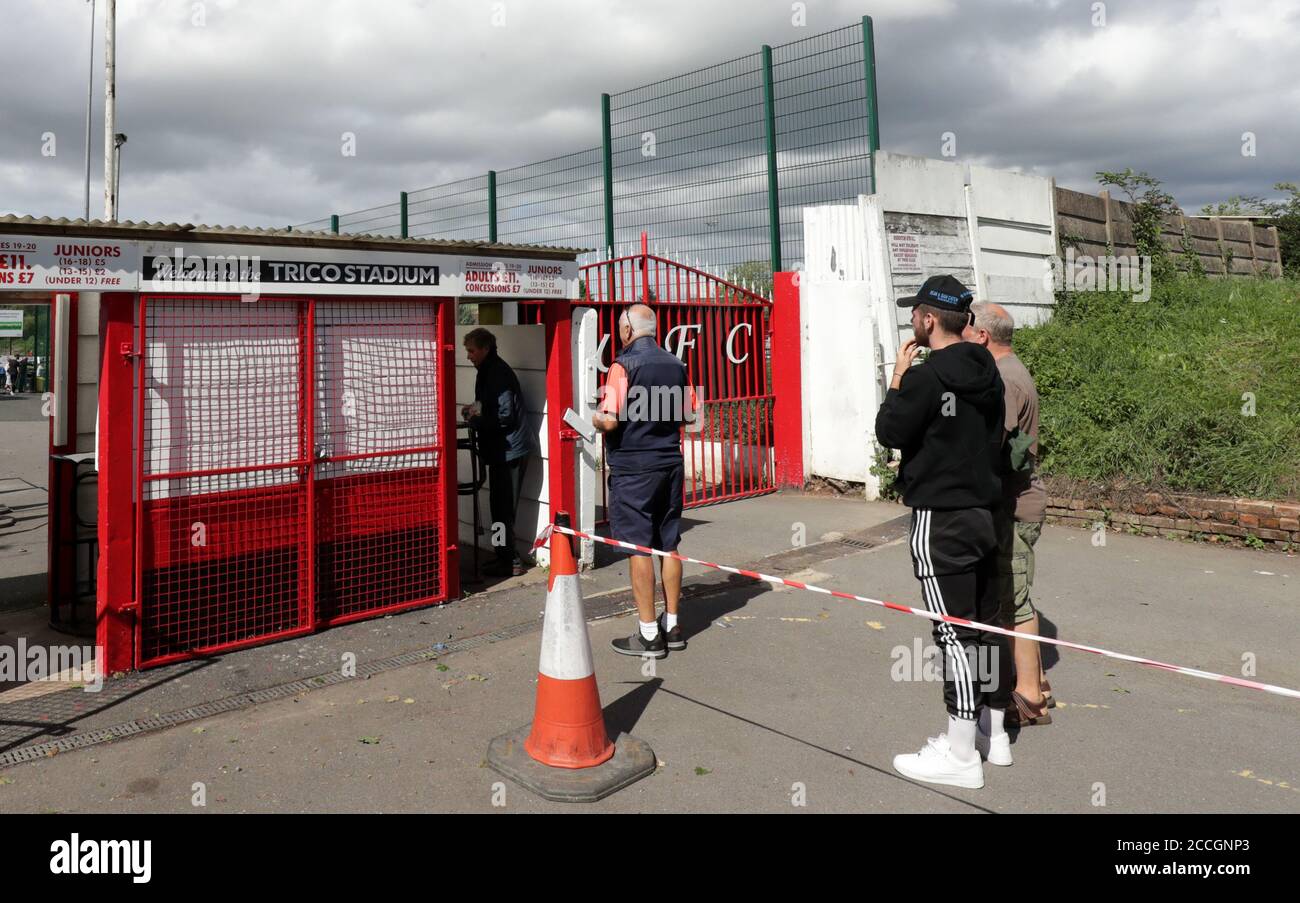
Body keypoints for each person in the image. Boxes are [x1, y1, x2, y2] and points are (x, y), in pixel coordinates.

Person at [874, 274, 1012, 789]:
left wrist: (897, 376)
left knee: (952, 631)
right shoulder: (988, 370)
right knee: (982, 625)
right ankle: (989, 734)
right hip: (982, 511)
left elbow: (890, 432)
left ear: (928, 320)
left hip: (940, 516)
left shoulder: (927, 378)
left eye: (916, 313)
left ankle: (959, 754)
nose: (912, 319)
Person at [594, 303, 699, 659]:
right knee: (668, 542)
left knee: (638, 547)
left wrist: (595, 416)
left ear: (626, 330)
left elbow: (609, 421)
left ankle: (649, 634)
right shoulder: (676, 364)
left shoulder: (621, 365)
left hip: (634, 468)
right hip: (669, 462)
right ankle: (673, 625)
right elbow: (690, 414)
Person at [965, 302, 1052, 727]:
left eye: (965, 327)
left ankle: (1030, 698)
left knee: (1013, 601)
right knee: (1014, 597)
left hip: (1016, 505)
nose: (960, 333)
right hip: (1020, 501)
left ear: (982, 336)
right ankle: (1035, 682)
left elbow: (996, 442)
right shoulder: (1012, 368)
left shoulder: (1002, 378)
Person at [462, 327, 532, 578]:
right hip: (503, 450)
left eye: (471, 351)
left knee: (503, 508)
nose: (468, 356)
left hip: (509, 451)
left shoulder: (496, 373)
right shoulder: (489, 370)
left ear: (485, 349)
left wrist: (476, 421)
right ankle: (503, 555)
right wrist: (474, 410)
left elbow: (504, 415)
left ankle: (511, 560)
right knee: (499, 507)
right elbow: (492, 408)